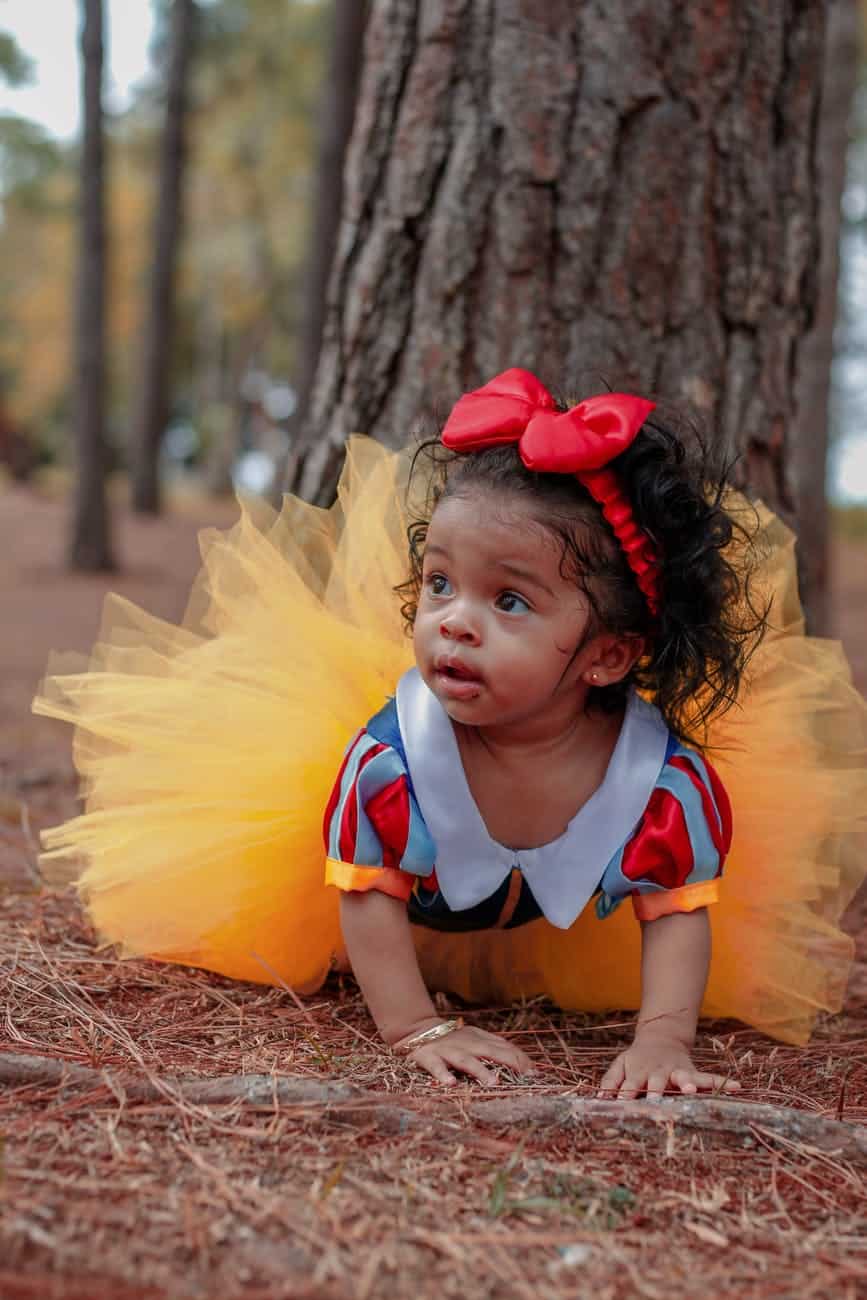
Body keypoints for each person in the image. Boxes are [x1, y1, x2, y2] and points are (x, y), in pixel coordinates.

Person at [33, 369, 867, 1098]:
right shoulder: (389, 763)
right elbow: (365, 891)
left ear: (608, 657)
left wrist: (661, 1037)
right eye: (439, 584)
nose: (454, 624)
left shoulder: (660, 785)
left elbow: (675, 911)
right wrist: (415, 1029)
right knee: (347, 903)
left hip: (542, 920)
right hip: (381, 923)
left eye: (508, 602)